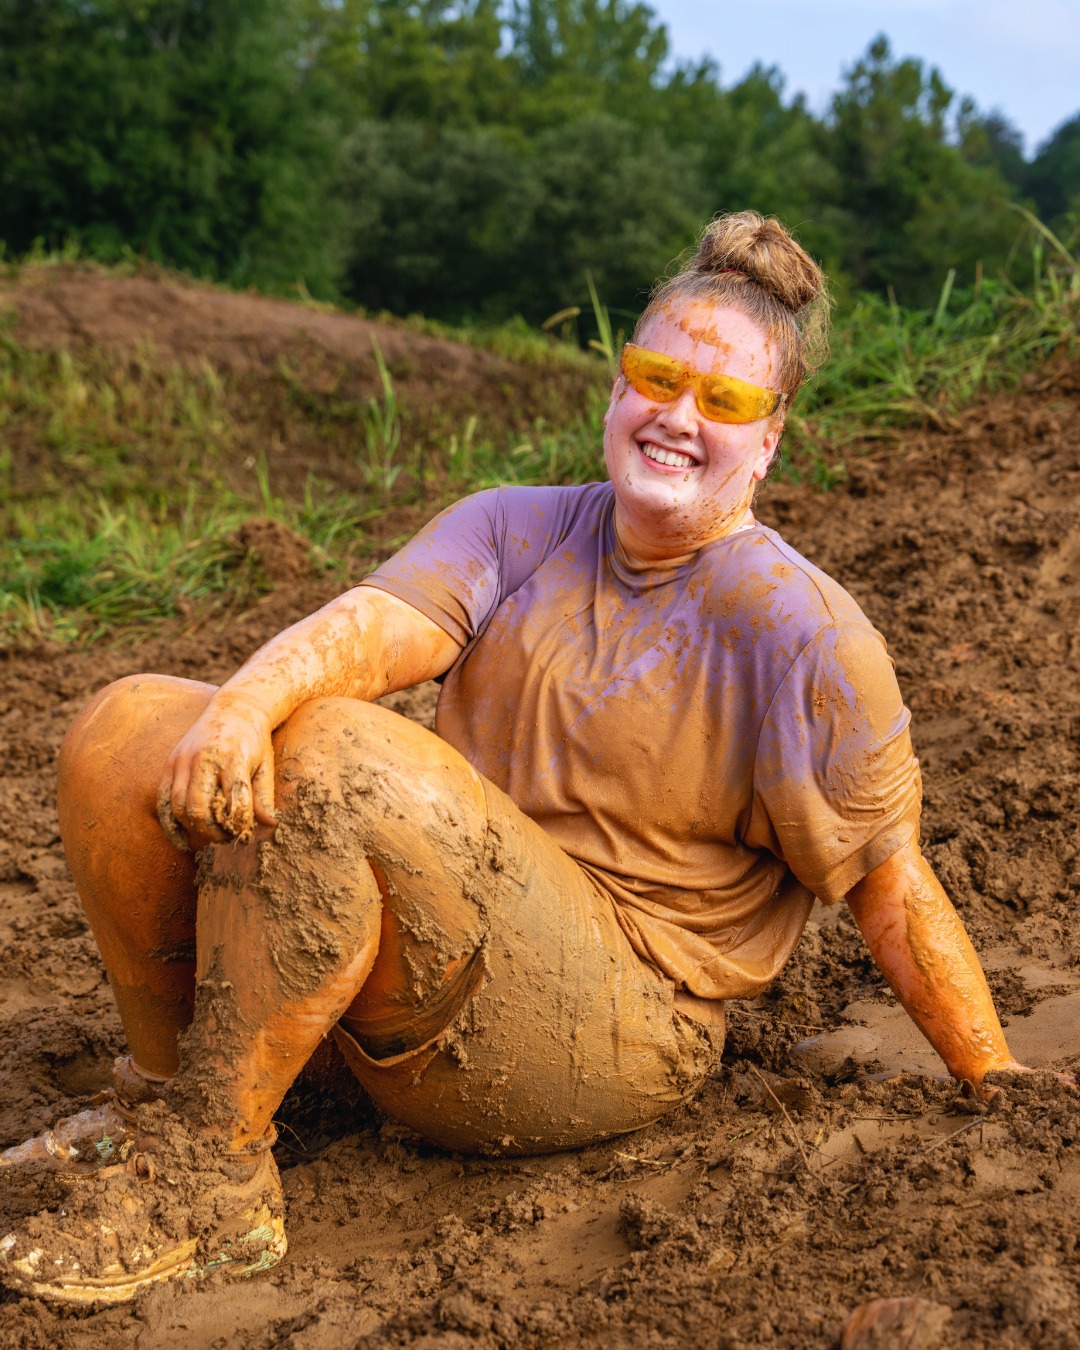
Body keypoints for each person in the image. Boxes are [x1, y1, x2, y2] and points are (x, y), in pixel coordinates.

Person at [0, 212, 1047, 1306]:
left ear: (770, 437)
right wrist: (242, 706)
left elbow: (889, 878)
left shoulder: (805, 634)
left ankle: (210, 1181)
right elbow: (380, 624)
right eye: (658, 377)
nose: (678, 416)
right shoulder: (516, 528)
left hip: (613, 1027)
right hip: (439, 956)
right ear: (618, 385)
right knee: (133, 725)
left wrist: (994, 1075)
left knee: (339, 754)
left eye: (725, 399)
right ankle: (165, 1102)